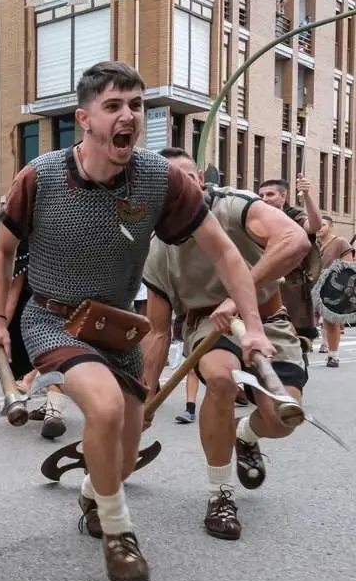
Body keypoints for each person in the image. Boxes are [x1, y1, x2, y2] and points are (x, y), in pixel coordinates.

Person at [0, 62, 273, 581]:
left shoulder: (159, 179)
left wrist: (252, 325)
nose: (128, 116)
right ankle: (120, 535)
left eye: (136, 106)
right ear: (85, 118)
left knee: (130, 436)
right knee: (107, 407)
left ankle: (94, 494)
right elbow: (1, 253)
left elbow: (228, 255)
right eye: (113, 106)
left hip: (118, 327)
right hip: (54, 322)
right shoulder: (41, 176)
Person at [139, 147, 310, 539]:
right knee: (220, 378)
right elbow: (159, 331)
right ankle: (220, 494)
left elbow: (295, 240)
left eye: (184, 178)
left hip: (267, 323)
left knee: (283, 420)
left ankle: (246, 434)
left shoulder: (235, 207)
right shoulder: (156, 250)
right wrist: (147, 393)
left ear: (199, 179)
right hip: (208, 330)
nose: (177, 188)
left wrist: (239, 296)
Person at [257, 177, 321, 340]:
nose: (264, 199)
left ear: (283, 197)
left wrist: (306, 195)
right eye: (261, 195)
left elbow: (315, 226)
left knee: (297, 338)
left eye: (270, 194)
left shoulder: (293, 216)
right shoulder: (253, 217)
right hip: (261, 282)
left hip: (290, 285)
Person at [315, 214, 355, 367]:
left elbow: (348, 266)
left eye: (323, 224)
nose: (320, 227)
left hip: (331, 286)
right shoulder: (312, 242)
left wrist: (332, 275)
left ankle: (333, 355)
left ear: (331, 226)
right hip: (311, 287)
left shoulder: (340, 242)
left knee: (330, 321)